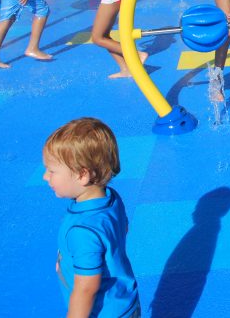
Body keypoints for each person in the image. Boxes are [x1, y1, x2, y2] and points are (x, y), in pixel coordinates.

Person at [42, 117, 140, 318]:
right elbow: (123, 229)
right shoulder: (110, 198)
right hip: (124, 300)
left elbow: (86, 288)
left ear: (82, 175)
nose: (45, 176)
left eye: (52, 171)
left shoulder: (83, 230)